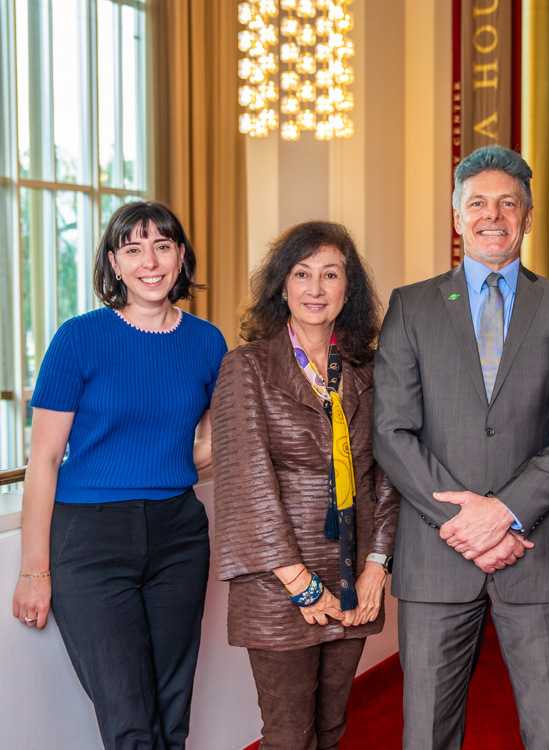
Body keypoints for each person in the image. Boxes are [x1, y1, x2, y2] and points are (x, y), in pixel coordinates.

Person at [373, 145, 549, 750]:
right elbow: (391, 431)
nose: (492, 215)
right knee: (426, 732)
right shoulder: (411, 305)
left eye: (508, 203)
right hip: (436, 554)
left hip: (536, 550)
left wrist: (502, 513)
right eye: (477, 203)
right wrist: (466, 522)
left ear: (528, 217)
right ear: (456, 216)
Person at [10, 201, 226, 750]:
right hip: (90, 539)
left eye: (162, 246)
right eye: (133, 249)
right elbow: (44, 461)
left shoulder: (207, 343)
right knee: (129, 717)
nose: (149, 261)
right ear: (114, 262)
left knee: (171, 707)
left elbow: (202, 445)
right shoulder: (78, 338)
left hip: (179, 529)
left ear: (181, 256)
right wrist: (34, 571)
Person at [212, 221, 399, 750]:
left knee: (333, 727)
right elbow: (244, 482)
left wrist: (376, 566)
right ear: (282, 286)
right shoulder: (246, 368)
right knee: (289, 736)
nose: (315, 289)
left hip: (353, 580)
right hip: (279, 586)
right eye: (302, 273)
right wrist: (299, 582)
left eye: (330, 274)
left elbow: (386, 474)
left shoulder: (368, 370)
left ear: (348, 289)